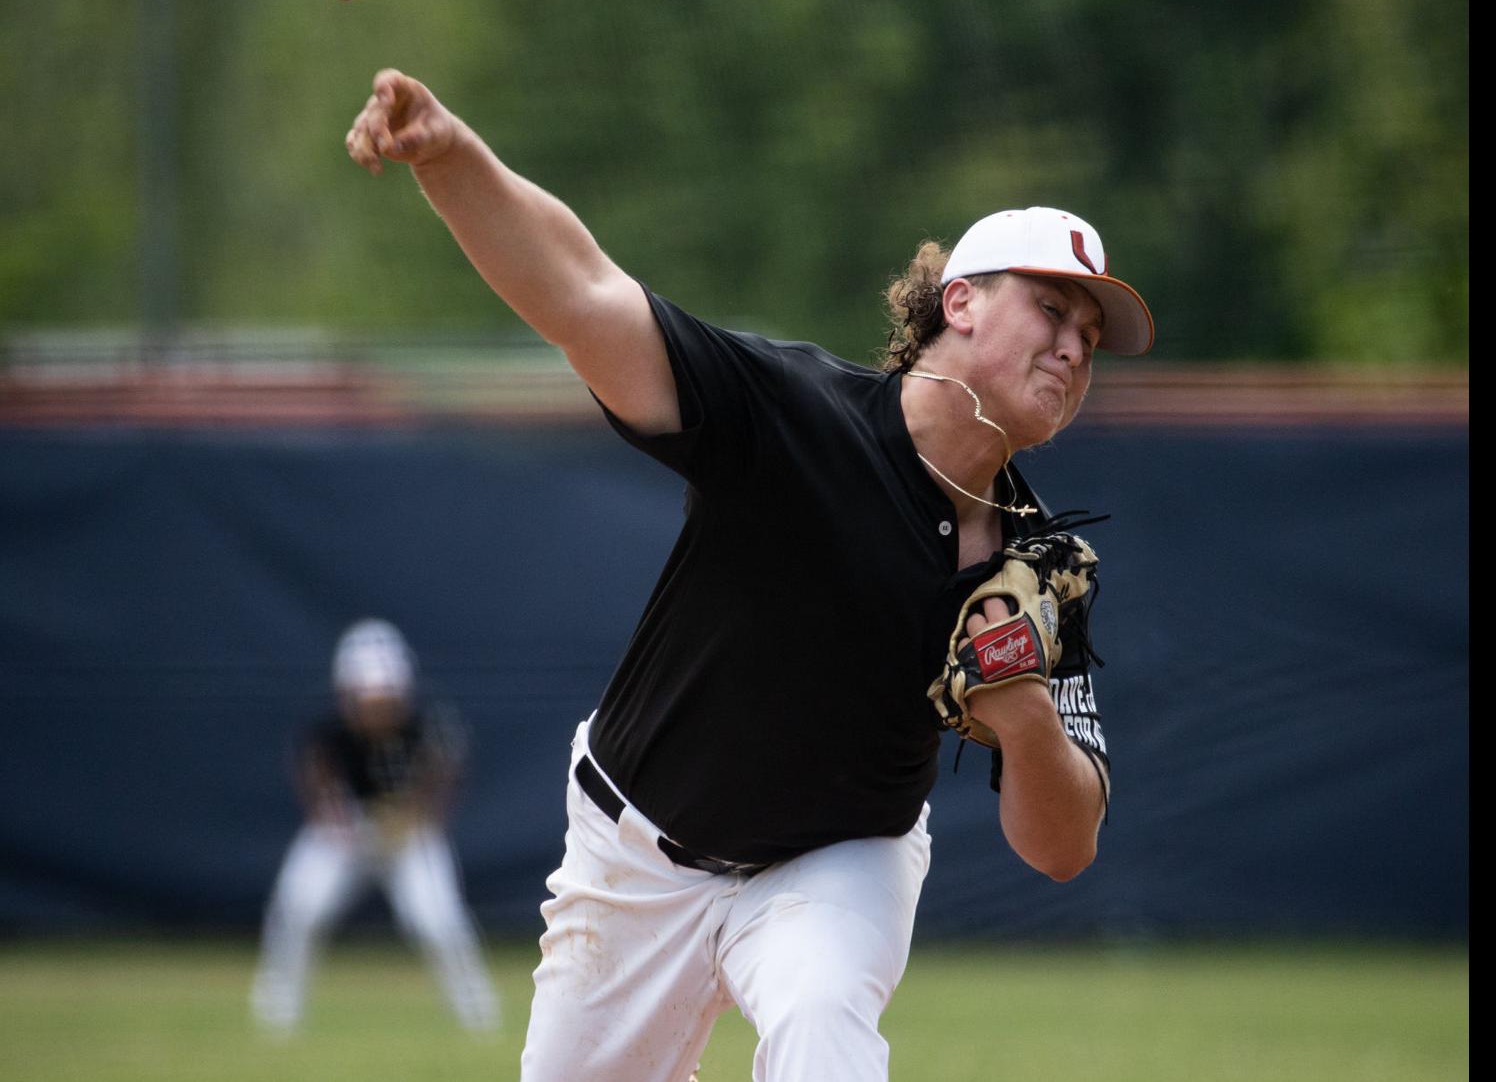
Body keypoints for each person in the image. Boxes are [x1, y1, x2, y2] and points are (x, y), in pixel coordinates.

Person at [345, 70, 1154, 1081]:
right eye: (1051, 309)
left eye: (1090, 339)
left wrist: (1025, 707)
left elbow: (1064, 845)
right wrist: (452, 157)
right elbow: (586, 293)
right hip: (634, 852)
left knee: (823, 1036)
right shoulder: (793, 414)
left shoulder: (1036, 569)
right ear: (962, 302)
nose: (1073, 349)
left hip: (836, 863)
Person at [250, 618, 500, 1034]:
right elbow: (316, 778)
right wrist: (336, 820)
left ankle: (477, 1014)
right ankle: (277, 1013)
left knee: (437, 918)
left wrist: (414, 817)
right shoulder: (327, 729)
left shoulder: (428, 722)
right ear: (347, 693)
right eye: (368, 697)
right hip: (347, 827)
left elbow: (443, 777)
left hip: (408, 831)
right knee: (298, 906)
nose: (377, 707)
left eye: (385, 696)